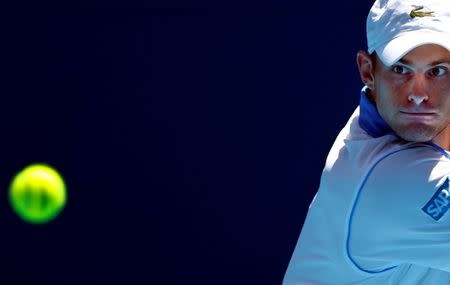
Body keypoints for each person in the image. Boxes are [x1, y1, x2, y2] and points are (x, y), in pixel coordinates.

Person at [282, 0, 450, 284]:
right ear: (367, 71)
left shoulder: (390, 115)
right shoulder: (392, 182)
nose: (419, 95)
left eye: (437, 71)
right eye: (401, 70)